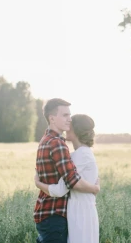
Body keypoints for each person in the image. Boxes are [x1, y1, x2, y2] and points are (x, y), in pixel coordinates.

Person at [34, 98, 99, 243]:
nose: (69, 120)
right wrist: (95, 188)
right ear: (52, 118)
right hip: (55, 213)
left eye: (70, 116)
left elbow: (65, 184)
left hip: (56, 212)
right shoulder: (59, 144)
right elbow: (71, 183)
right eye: (65, 115)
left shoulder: (46, 140)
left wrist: (38, 184)